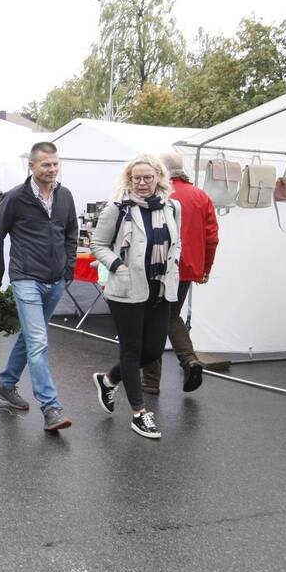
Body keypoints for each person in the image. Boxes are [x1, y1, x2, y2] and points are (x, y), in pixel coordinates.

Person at [90, 154, 182, 440]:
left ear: (159, 178)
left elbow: (175, 243)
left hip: (160, 286)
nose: (142, 183)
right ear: (129, 180)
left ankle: (108, 380)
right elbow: (98, 244)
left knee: (153, 350)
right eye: (136, 178)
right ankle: (139, 414)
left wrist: (173, 264)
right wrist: (118, 266)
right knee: (131, 350)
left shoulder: (172, 207)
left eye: (148, 177)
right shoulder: (117, 208)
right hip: (126, 288)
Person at [0, 141, 76, 431]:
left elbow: (71, 233)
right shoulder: (16, 198)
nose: (52, 169)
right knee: (38, 341)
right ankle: (51, 407)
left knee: (31, 337)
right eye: (46, 165)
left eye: (55, 164)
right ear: (32, 165)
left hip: (56, 280)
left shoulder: (65, 196)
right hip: (26, 277)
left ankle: (7, 383)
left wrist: (68, 268)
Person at [140, 151, 218, 394]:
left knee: (151, 320)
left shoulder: (157, 194)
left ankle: (151, 381)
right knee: (172, 315)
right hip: (187, 268)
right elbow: (212, 238)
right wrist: (205, 268)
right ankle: (189, 361)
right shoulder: (201, 196)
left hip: (157, 265)